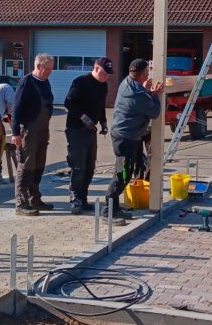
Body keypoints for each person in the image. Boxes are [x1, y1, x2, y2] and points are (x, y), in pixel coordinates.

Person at [103, 59, 164, 224]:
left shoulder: (127, 83)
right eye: (147, 72)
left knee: (124, 171)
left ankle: (114, 207)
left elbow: (141, 99)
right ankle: (108, 211)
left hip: (122, 135)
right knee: (122, 173)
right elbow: (154, 112)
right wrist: (156, 95)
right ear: (143, 74)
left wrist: (147, 91)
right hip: (126, 138)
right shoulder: (137, 93)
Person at [64, 57, 113, 215]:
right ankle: (75, 199)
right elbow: (68, 103)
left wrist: (104, 122)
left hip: (91, 130)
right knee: (79, 166)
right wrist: (83, 117)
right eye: (104, 73)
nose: (106, 77)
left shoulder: (103, 85)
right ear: (96, 68)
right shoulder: (81, 82)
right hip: (76, 129)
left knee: (90, 167)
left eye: (108, 75)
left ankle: (83, 198)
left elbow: (101, 105)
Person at [11, 54, 56, 216]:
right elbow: (16, 109)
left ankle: (34, 199)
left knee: (39, 165)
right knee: (26, 165)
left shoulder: (45, 82)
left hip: (42, 130)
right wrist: (15, 132)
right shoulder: (26, 82)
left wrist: (47, 129)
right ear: (38, 66)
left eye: (51, 69)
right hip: (27, 131)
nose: (50, 72)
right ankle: (21, 203)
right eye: (48, 69)